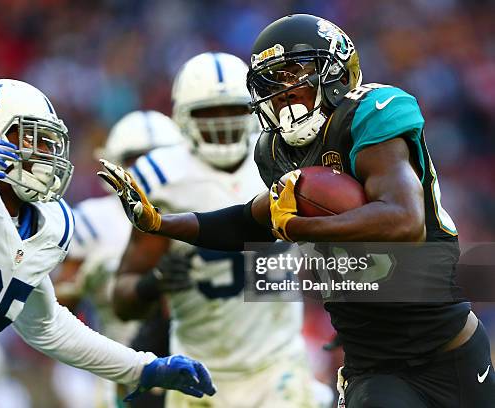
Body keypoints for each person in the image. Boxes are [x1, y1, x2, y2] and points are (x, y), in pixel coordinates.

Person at [98, 14, 495, 408]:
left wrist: (300, 225)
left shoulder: (371, 114)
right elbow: (249, 221)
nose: (284, 92)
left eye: (294, 74)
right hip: (375, 367)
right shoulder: (274, 151)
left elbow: (404, 221)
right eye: (273, 82)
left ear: (335, 72)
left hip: (452, 349)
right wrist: (162, 223)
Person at [0, 79, 215, 407]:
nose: (45, 152)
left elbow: (47, 325)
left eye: (49, 141)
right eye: (31, 138)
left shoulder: (50, 222)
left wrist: (143, 368)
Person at [112, 52, 327, 408]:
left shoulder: (284, 157)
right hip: (197, 371)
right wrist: (153, 284)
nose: (223, 122)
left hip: (280, 366)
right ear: (183, 117)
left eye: (233, 109)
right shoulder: (161, 179)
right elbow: (123, 299)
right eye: (208, 112)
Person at [53, 110, 183, 408]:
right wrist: (81, 284)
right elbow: (55, 311)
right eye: (137, 159)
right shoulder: (91, 220)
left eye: (158, 156)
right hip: (125, 369)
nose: (148, 167)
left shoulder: (197, 204)